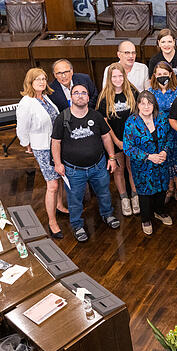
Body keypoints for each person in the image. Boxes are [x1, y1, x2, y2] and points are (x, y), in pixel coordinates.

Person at [50, 83, 120, 242]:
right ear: (71, 97)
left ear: (88, 97)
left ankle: (107, 215)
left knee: (104, 193)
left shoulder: (95, 116)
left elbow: (106, 137)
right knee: (75, 199)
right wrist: (58, 163)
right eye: (76, 93)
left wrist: (111, 157)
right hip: (74, 170)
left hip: (98, 166)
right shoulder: (63, 118)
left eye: (83, 93)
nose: (80, 95)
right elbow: (56, 142)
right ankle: (77, 225)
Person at [16, 68, 65, 239]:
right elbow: (21, 128)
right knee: (52, 185)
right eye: (37, 79)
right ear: (30, 82)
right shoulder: (26, 103)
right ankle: (52, 222)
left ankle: (59, 205)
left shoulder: (45, 98)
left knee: (59, 178)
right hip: (42, 147)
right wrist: (27, 144)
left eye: (44, 79)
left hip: (56, 144)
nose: (42, 82)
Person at [123, 91, 174, 235]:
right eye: (142, 103)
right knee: (145, 193)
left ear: (154, 105)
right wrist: (149, 157)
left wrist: (164, 151)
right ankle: (146, 219)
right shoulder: (131, 122)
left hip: (162, 162)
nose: (146, 106)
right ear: (137, 105)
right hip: (143, 166)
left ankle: (160, 212)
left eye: (149, 103)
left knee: (163, 188)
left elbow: (170, 136)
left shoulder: (162, 117)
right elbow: (128, 147)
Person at [97, 63, 139, 216]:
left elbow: (139, 117)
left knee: (132, 168)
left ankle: (135, 196)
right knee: (119, 170)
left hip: (132, 139)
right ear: (109, 78)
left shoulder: (133, 92)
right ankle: (124, 199)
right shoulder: (104, 97)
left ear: (124, 76)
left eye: (120, 76)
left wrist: (131, 140)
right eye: (114, 76)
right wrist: (116, 141)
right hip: (115, 140)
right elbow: (105, 123)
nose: (117, 79)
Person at [148, 63, 177, 204]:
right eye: (159, 74)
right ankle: (169, 190)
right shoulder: (151, 92)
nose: (162, 76)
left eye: (164, 73)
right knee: (165, 162)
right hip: (159, 134)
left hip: (176, 132)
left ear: (170, 74)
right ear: (154, 76)